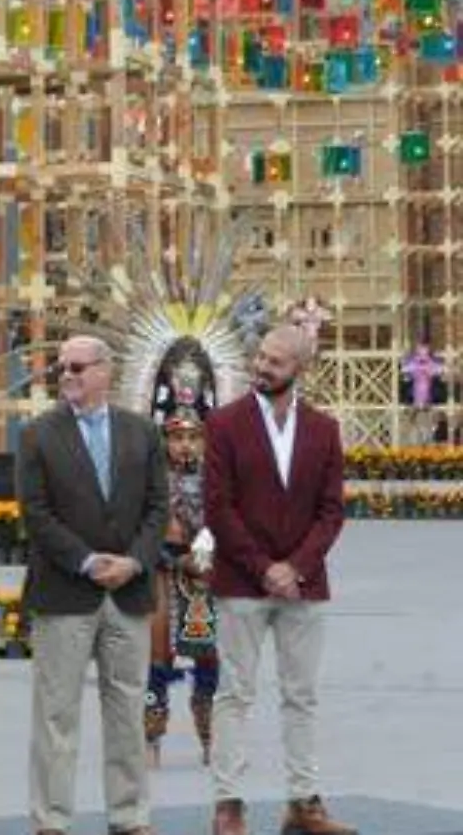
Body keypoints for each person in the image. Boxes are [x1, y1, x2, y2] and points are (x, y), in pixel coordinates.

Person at [16, 335, 168, 835]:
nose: (68, 375)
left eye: (78, 367)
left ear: (106, 371)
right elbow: (35, 513)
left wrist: (134, 562)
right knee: (56, 714)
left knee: (127, 709)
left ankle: (129, 817)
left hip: (128, 592)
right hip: (65, 592)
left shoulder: (143, 432)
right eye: (61, 367)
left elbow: (156, 508)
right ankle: (52, 821)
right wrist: (84, 561)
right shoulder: (39, 434)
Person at [205, 327, 354, 835]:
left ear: (300, 369)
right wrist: (265, 567)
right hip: (242, 584)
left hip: (304, 587)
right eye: (261, 357)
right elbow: (218, 508)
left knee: (301, 695)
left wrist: (297, 567)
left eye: (275, 361)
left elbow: (332, 511)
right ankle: (228, 804)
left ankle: (303, 803)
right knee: (234, 695)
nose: (262, 367)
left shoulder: (324, 429)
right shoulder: (223, 424)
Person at [146, 406, 220, 767]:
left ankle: (208, 733)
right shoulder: (152, 479)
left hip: (199, 574)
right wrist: (173, 556)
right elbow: (142, 526)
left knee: (205, 650)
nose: (185, 445)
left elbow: (221, 524)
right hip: (160, 570)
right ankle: (151, 736)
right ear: (165, 441)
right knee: (157, 652)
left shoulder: (214, 480)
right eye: (177, 437)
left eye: (193, 437)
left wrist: (201, 559)